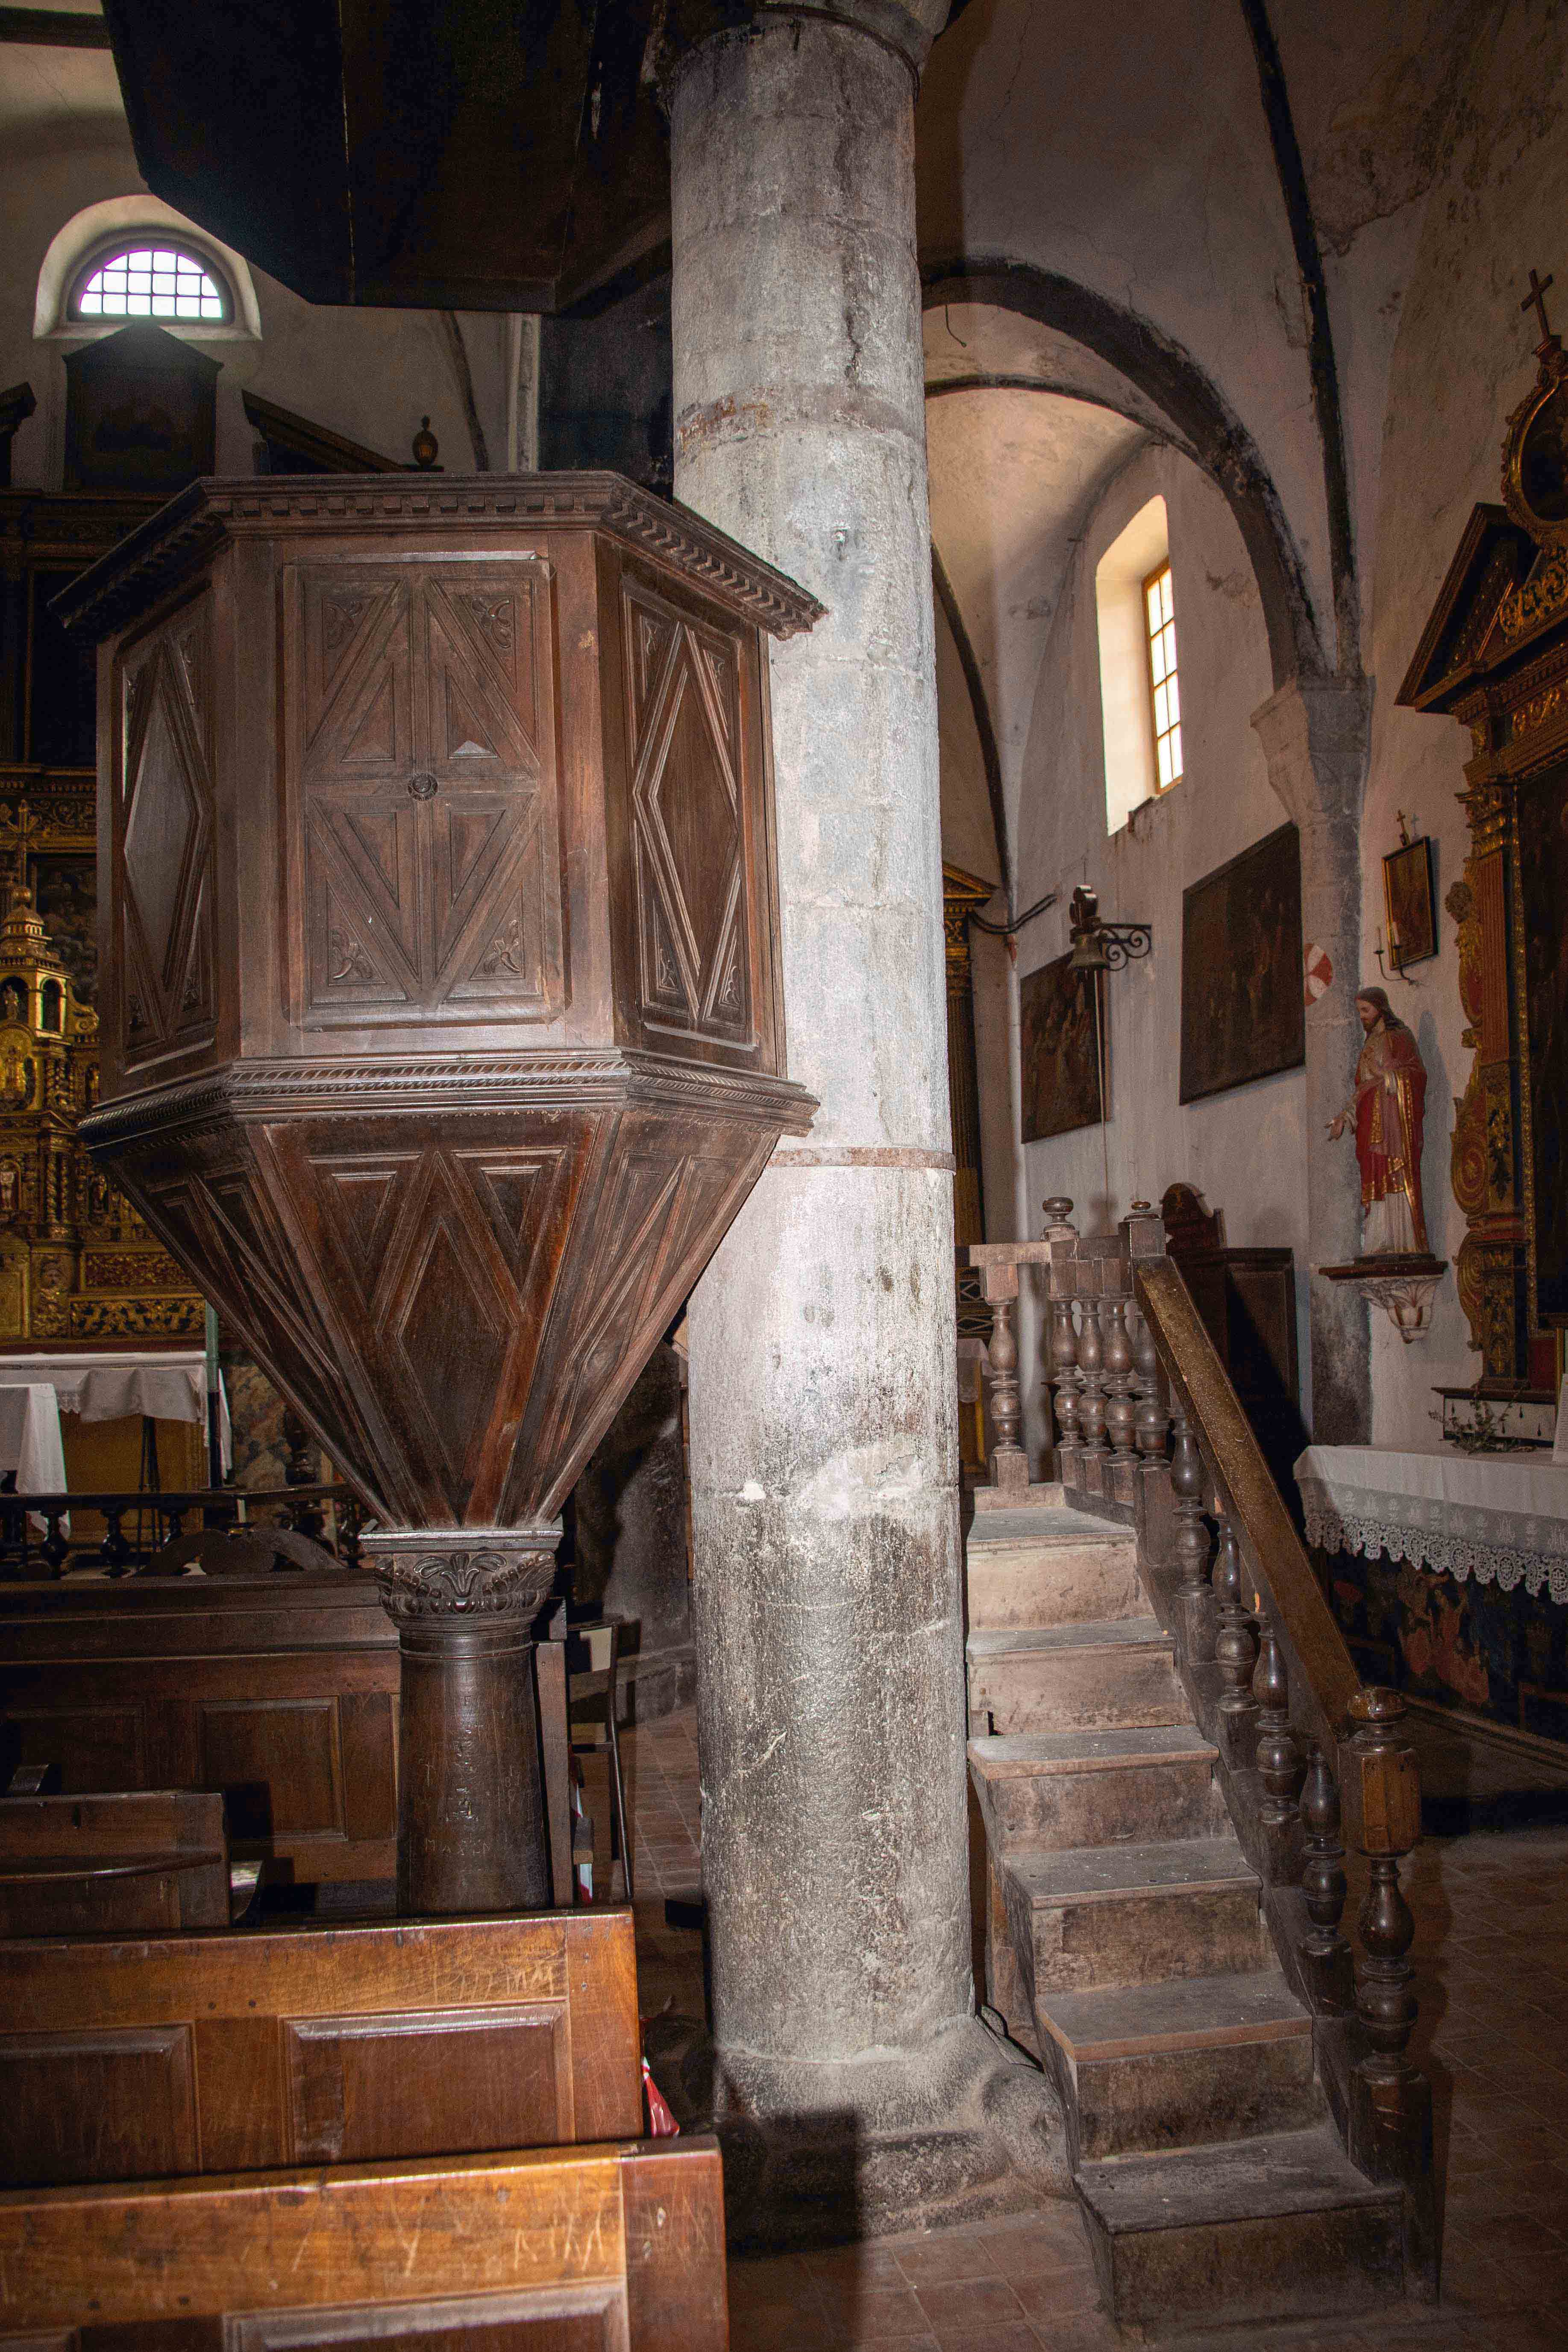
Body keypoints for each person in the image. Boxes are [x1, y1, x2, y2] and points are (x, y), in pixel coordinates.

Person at [1327, 987, 1429, 1255]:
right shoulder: (1369, 1046)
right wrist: (1345, 1117)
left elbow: (1416, 1075)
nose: (1362, 1016)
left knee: (1395, 1174)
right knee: (1375, 1177)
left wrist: (1389, 1079)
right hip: (1371, 1124)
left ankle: (1402, 1240)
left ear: (1380, 1009)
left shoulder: (1400, 1038)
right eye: (1359, 1011)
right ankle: (1379, 1240)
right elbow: (1362, 1089)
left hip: (1394, 1126)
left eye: (1366, 1010)